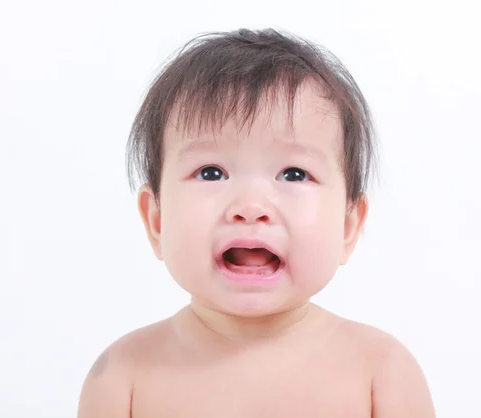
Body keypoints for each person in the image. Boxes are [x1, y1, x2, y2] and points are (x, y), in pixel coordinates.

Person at [78, 28, 435, 417]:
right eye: (211, 173)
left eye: (294, 174)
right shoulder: (123, 378)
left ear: (348, 226)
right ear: (157, 220)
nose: (250, 207)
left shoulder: (381, 374)